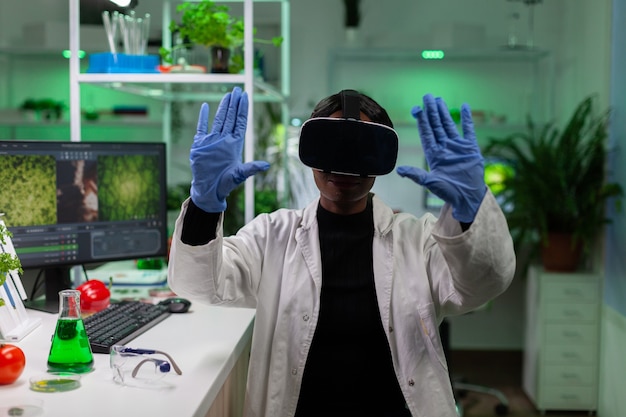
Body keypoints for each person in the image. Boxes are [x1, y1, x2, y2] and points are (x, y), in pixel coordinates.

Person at [168, 86, 516, 417]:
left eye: (361, 150)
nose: (344, 166)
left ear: (381, 158)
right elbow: (201, 286)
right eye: (332, 147)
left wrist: (469, 211)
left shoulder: (417, 241)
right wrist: (204, 205)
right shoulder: (272, 236)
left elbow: (485, 283)